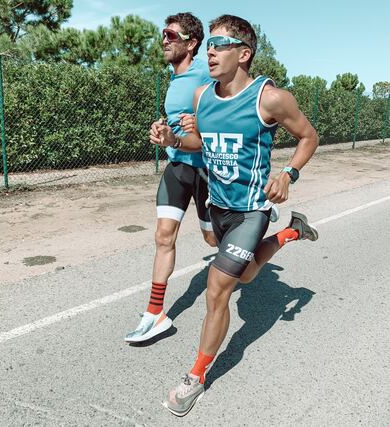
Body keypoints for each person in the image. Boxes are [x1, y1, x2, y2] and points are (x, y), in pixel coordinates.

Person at [150, 14, 319, 416]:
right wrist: (175, 139)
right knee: (244, 275)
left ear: (243, 54)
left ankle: (196, 377)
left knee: (218, 288)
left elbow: (309, 136)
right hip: (218, 207)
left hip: (250, 212)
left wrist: (288, 172)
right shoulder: (202, 96)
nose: (210, 50)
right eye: (208, 43)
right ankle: (292, 233)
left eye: (220, 43)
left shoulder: (270, 98)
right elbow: (200, 139)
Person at [124, 12, 217, 343]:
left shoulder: (207, 72)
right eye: (162, 34)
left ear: (191, 44)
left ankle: (283, 231)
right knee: (164, 236)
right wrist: (164, 131)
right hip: (178, 166)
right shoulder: (175, 79)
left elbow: (234, 106)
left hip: (208, 169)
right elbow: (179, 123)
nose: (164, 40)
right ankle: (155, 314)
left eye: (171, 35)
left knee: (214, 242)